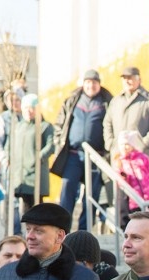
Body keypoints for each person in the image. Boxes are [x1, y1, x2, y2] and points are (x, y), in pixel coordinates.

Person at [51, 69, 114, 232]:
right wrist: (58, 142)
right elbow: (60, 123)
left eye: (94, 82)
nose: (91, 85)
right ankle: (61, 230)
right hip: (72, 155)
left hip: (95, 156)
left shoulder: (106, 102)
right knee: (67, 193)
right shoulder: (73, 99)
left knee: (91, 197)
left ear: (99, 84)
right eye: (88, 82)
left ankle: (83, 233)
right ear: (83, 84)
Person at [103, 67, 149, 161]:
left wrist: (144, 144)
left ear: (139, 79)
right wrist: (110, 143)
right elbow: (107, 123)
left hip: (141, 157)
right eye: (124, 78)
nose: (127, 81)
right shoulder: (116, 101)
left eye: (130, 78)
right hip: (119, 156)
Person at [10, 94, 55, 220]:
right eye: (25, 108)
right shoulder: (19, 126)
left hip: (36, 173)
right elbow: (11, 146)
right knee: (24, 206)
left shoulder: (44, 126)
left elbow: (51, 146)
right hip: (20, 174)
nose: (28, 111)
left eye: (31, 108)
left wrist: (37, 158)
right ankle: (26, 232)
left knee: (36, 206)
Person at [115, 130, 149, 209]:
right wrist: (123, 176)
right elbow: (121, 182)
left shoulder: (142, 158)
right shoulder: (120, 162)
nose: (125, 147)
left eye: (127, 144)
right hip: (135, 201)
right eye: (122, 145)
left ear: (132, 145)